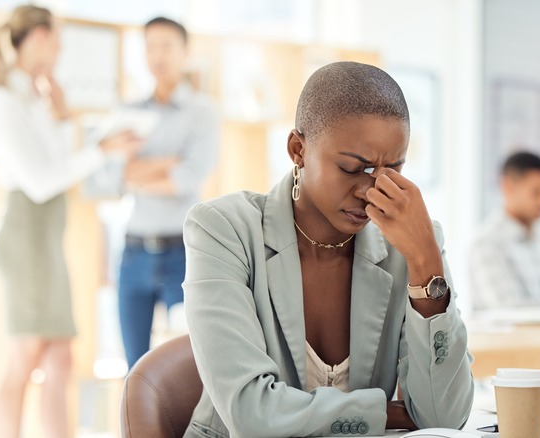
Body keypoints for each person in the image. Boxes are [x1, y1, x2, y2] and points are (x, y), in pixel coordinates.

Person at [182, 62, 473, 437]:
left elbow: (444, 418)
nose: (372, 191)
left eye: (394, 169)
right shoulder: (223, 230)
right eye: (353, 168)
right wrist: (384, 414)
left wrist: (426, 265)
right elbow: (250, 414)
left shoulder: (410, 243)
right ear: (298, 149)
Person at [0, 6, 136, 437]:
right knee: (25, 356)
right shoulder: (3, 103)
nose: (61, 52)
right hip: (26, 234)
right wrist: (103, 150)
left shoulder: (32, 99)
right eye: (58, 41)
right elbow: (43, 180)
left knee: (60, 358)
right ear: (37, 39)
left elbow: (58, 163)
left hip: (45, 235)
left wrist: (63, 115)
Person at [109, 17, 220, 369]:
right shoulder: (128, 112)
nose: (158, 55)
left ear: (185, 53)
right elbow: (114, 176)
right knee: (135, 369)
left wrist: (140, 169)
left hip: (183, 253)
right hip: (133, 252)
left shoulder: (202, 112)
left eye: (167, 46)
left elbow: (188, 176)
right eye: (150, 46)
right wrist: (166, 163)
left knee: (188, 366)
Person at [469, 151, 540, 310]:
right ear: (508, 187)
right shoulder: (486, 243)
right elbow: (506, 308)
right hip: (513, 335)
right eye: (536, 192)